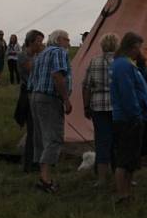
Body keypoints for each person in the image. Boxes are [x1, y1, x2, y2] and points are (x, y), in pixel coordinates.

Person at [110, 32, 147, 204]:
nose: (139, 50)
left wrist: (142, 64)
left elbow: (138, 83)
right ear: (131, 47)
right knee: (124, 159)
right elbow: (127, 93)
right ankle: (122, 195)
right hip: (128, 118)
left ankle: (127, 193)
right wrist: (135, 114)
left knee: (131, 160)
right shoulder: (123, 66)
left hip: (130, 116)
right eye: (138, 47)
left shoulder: (128, 64)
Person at [29, 29, 72, 193]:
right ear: (60, 39)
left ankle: (43, 176)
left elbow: (32, 80)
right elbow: (57, 75)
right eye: (67, 39)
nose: (69, 43)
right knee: (54, 138)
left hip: (36, 97)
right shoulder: (59, 52)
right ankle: (45, 180)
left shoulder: (41, 55)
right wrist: (66, 99)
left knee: (41, 137)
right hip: (50, 98)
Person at [82, 33, 119, 188]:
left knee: (102, 142)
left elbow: (86, 86)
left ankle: (101, 179)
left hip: (98, 106)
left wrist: (86, 106)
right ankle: (121, 177)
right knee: (118, 143)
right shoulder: (121, 62)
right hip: (117, 107)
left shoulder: (94, 62)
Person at [17, 29, 44, 173]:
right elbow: (32, 69)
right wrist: (42, 56)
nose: (41, 44)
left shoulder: (35, 56)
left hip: (35, 94)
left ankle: (35, 161)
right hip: (28, 96)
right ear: (31, 41)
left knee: (37, 130)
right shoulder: (23, 56)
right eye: (39, 41)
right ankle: (29, 164)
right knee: (32, 130)